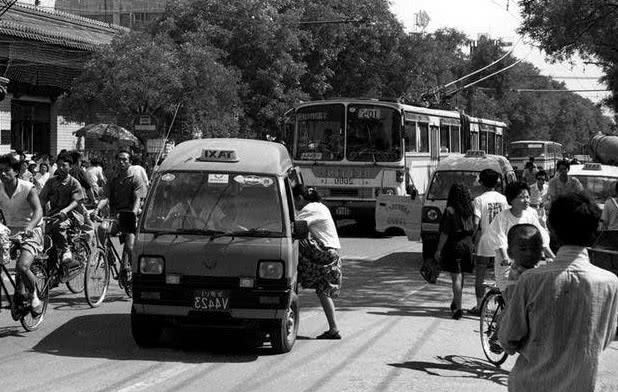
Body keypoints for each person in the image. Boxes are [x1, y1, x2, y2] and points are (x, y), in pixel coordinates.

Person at [498, 193, 618, 392]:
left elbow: (508, 339)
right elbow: (606, 336)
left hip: (530, 385)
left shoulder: (531, 280)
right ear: (595, 232)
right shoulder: (610, 283)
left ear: (552, 232)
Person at [293, 184, 343, 339]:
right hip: (332, 254)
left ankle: (297, 277)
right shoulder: (320, 206)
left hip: (324, 251)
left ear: (300, 198)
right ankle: (334, 329)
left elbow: (293, 225)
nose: (295, 205)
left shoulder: (311, 208)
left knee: (295, 241)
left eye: (294, 201)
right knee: (323, 291)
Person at [488, 181, 554, 295]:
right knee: (509, 296)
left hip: (527, 262)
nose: (526, 200)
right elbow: (499, 239)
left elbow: (540, 236)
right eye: (522, 197)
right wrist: (505, 257)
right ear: (511, 199)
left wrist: (553, 257)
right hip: (507, 264)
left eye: (528, 196)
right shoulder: (502, 217)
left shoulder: (530, 215)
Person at [91, 150, 147, 283]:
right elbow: (105, 197)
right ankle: (108, 256)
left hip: (129, 215)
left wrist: (133, 213)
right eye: (119, 159)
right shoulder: (112, 179)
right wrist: (97, 209)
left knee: (131, 246)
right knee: (101, 229)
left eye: (125, 160)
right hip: (115, 216)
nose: (121, 162)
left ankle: (132, 271)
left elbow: (138, 199)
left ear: (130, 162)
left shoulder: (136, 179)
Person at [0, 154, 44, 315]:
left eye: (6, 170)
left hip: (31, 230)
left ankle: (34, 295)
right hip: (8, 231)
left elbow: (38, 210)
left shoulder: (27, 187)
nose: (3, 174)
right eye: (0, 171)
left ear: (16, 171)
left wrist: (30, 227)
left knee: (22, 266)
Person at [434, 183, 476, 320]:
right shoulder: (470, 208)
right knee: (461, 275)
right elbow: (475, 226)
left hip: (455, 244)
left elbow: (445, 232)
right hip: (468, 244)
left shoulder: (450, 210)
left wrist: (439, 250)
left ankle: (458, 308)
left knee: (456, 277)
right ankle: (455, 301)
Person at [470, 169, 509, 315]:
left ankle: (480, 306)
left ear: (481, 182)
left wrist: (472, 237)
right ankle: (502, 306)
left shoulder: (479, 200)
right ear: (497, 182)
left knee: (480, 274)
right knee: (502, 274)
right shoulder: (504, 199)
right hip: (501, 242)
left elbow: (475, 222)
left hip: (486, 240)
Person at [39, 151, 85, 266]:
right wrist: (36, 211)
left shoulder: (74, 183)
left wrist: (65, 210)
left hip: (71, 215)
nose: (60, 168)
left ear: (70, 167)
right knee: (44, 232)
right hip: (53, 214)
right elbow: (42, 199)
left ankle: (66, 250)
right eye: (58, 165)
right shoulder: (51, 181)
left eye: (64, 165)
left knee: (59, 226)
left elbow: (76, 201)